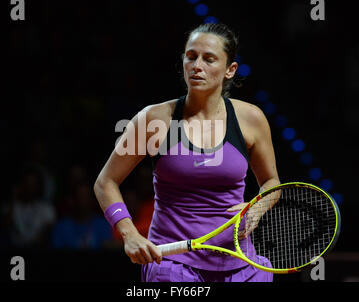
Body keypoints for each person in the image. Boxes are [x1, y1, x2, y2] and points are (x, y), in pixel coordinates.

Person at [94, 23, 280, 282]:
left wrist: (257, 209)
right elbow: (106, 182)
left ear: (230, 70)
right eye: (191, 56)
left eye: (209, 59)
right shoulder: (154, 119)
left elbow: (272, 183)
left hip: (240, 261)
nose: (196, 65)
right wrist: (129, 233)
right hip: (173, 264)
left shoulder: (251, 119)